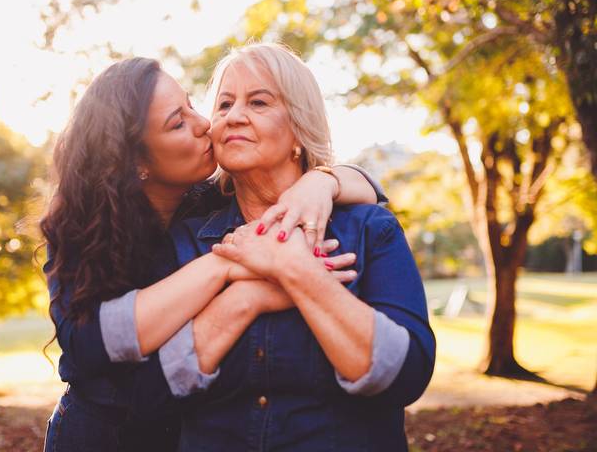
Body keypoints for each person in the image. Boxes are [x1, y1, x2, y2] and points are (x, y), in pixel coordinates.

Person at [39, 57, 387, 451]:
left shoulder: (208, 202)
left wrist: (322, 183)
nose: (204, 123)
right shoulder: (82, 226)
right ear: (136, 162)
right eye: (177, 122)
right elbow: (90, 344)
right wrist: (232, 265)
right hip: (102, 437)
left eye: (191, 104)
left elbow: (372, 192)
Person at [119, 43, 436, 451]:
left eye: (259, 102)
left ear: (299, 130)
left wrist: (297, 271)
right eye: (225, 104)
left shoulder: (370, 230)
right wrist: (247, 297)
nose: (234, 116)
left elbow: (407, 376)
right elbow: (148, 398)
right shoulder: (186, 240)